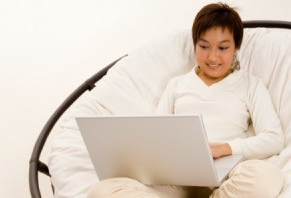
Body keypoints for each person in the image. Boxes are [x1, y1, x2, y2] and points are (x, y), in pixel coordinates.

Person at [88, 3, 285, 197]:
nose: (213, 57)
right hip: (177, 176)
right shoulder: (177, 84)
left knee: (267, 178)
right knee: (103, 190)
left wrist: (224, 149)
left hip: (226, 173)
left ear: (236, 47)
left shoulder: (250, 85)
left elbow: (273, 138)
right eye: (204, 46)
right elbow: (156, 132)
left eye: (223, 48)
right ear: (195, 44)